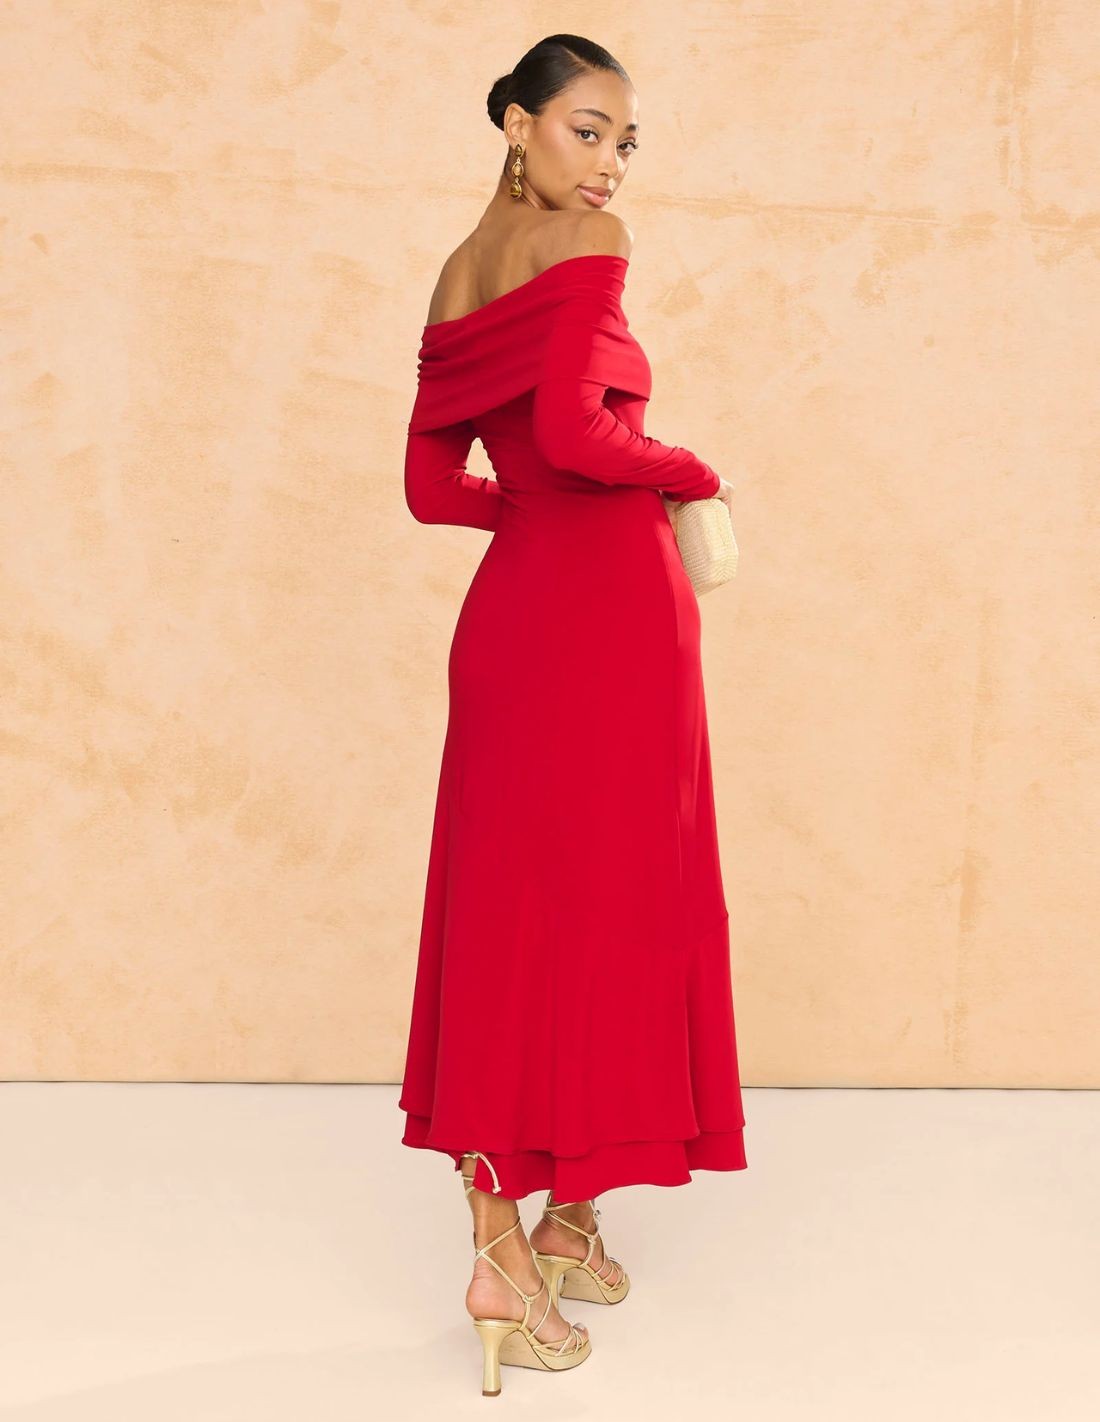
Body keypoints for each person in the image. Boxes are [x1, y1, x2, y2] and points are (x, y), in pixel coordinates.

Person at [397, 33, 748, 1396]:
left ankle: (555, 1224)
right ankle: (516, 1249)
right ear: (517, 122)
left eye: (625, 143)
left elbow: (435, 488)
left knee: (514, 916)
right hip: (609, 623)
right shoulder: (589, 249)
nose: (609, 165)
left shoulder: (455, 273)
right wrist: (691, 471)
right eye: (587, 130)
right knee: (615, 905)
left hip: (514, 618)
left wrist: (532, 519)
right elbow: (582, 433)